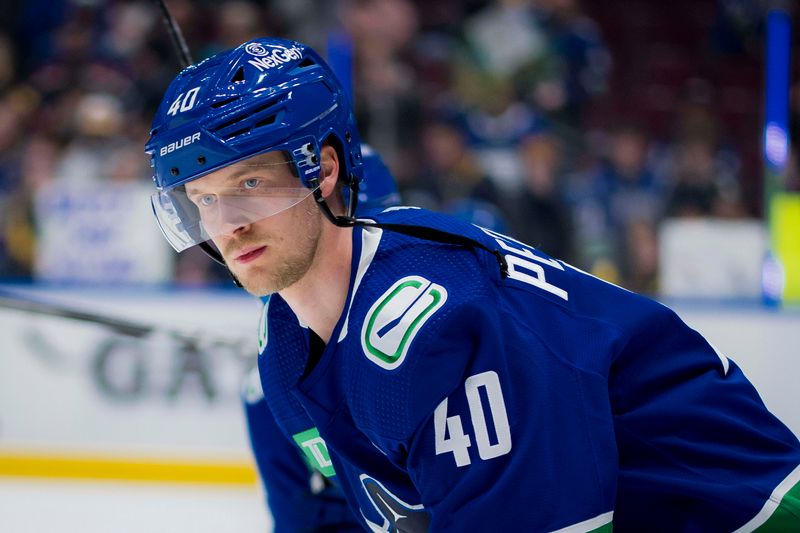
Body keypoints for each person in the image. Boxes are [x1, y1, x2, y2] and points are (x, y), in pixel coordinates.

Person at [145, 38, 800, 532]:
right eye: (202, 201)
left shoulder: (439, 324)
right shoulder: (285, 349)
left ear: (322, 170)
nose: (225, 226)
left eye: (249, 186)